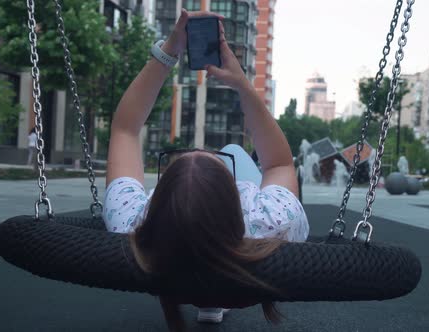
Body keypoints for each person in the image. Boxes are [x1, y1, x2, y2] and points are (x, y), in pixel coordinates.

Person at [102, 9, 309, 331]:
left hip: (196, 236)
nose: (202, 151)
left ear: (157, 202)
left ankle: (211, 298)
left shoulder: (134, 224)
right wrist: (242, 84)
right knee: (234, 152)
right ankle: (215, 297)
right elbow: (279, 163)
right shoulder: (273, 222)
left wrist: (168, 51)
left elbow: (125, 129)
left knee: (229, 155)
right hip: (235, 237)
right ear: (238, 198)